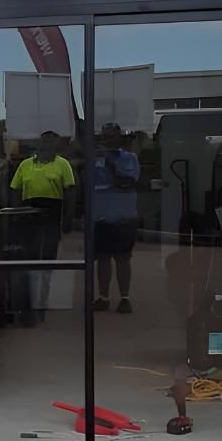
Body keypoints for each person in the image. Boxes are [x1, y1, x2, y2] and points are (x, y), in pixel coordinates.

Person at [10, 132, 76, 322]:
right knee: (29, 260)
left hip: (51, 216)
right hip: (28, 217)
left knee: (47, 260)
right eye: (43, 141)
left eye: (50, 141)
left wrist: (68, 218)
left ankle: (43, 303)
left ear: (55, 145)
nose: (45, 144)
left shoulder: (63, 164)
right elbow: (15, 190)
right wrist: (15, 215)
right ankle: (29, 304)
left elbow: (70, 191)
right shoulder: (25, 165)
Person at [93, 123, 140, 314]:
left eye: (112, 137)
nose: (108, 140)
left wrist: (110, 164)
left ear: (119, 138)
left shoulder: (130, 159)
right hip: (101, 217)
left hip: (124, 217)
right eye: (105, 137)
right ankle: (103, 297)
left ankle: (125, 298)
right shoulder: (95, 160)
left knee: (122, 258)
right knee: (102, 258)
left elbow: (128, 182)